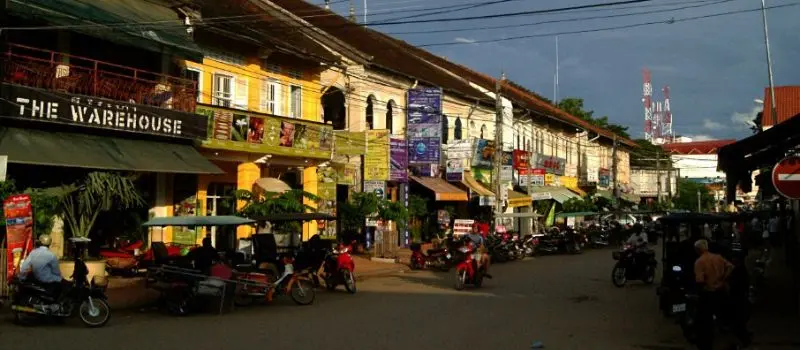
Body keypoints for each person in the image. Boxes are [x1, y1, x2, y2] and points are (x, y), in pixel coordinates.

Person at [693, 239, 735, 350]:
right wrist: (723, 278)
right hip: (721, 291)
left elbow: (700, 281)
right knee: (725, 316)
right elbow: (731, 267)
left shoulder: (699, 262)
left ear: (698, 250)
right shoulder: (718, 257)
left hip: (709, 294)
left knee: (702, 320)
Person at [19, 235, 66, 299]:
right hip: (47, 281)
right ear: (49, 244)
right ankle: (56, 301)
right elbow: (56, 272)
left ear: (40, 243)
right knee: (61, 281)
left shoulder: (33, 253)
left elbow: (24, 267)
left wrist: (22, 278)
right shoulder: (52, 255)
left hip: (35, 279)